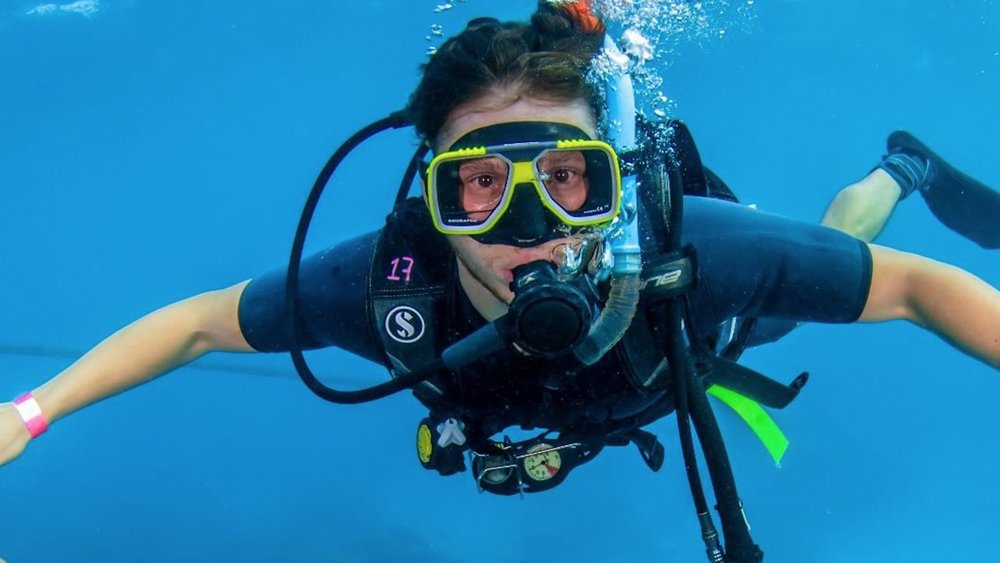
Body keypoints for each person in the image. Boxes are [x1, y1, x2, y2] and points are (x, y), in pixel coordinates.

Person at [2, 1, 999, 559]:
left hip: (687, 336)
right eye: (479, 185)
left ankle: (897, 168)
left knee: (830, 241)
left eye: (567, 178)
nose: (528, 228)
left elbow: (916, 288)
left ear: (609, 181)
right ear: (430, 197)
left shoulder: (696, 253)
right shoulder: (388, 287)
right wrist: (31, 410)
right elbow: (200, 324)